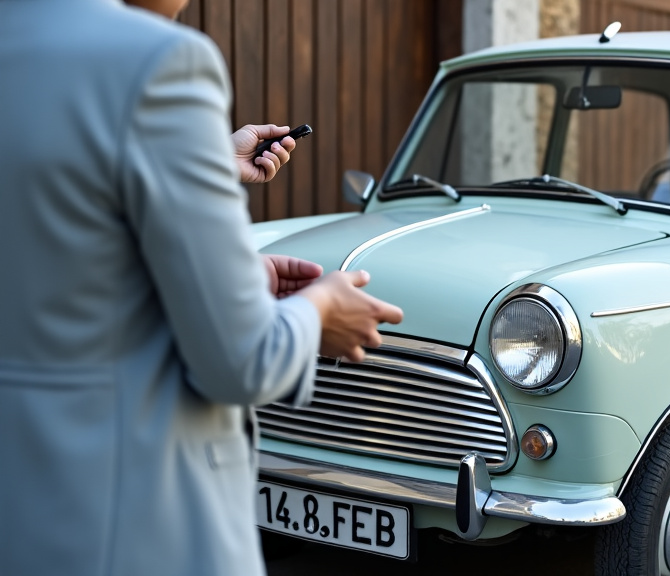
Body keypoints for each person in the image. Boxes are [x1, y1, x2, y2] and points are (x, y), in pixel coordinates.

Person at [0, 1, 403, 576]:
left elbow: (61, 254)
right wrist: (319, 309)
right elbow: (243, 360)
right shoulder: (157, 63)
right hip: (136, 527)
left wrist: (206, 163)